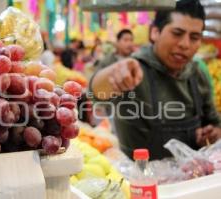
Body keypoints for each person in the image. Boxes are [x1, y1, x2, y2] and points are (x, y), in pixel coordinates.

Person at [90, 0, 221, 160]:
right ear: (155, 32)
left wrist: (212, 133)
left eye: (194, 37)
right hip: (140, 180)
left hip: (192, 180)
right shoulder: (134, 70)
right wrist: (111, 74)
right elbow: (95, 93)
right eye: (177, 33)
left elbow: (214, 122)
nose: (185, 44)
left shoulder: (197, 73)